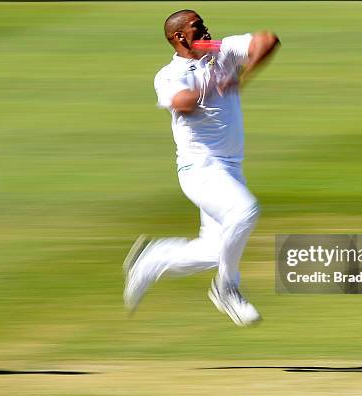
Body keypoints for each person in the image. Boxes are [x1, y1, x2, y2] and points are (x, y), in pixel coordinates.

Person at [123, 9, 279, 327]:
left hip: (230, 168)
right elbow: (182, 102)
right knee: (245, 212)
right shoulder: (169, 74)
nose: (206, 30)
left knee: (214, 250)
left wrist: (241, 72)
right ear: (179, 37)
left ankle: (153, 259)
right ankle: (227, 287)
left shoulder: (221, 50)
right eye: (198, 28)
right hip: (201, 168)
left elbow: (268, 40)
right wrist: (213, 82)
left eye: (205, 25)